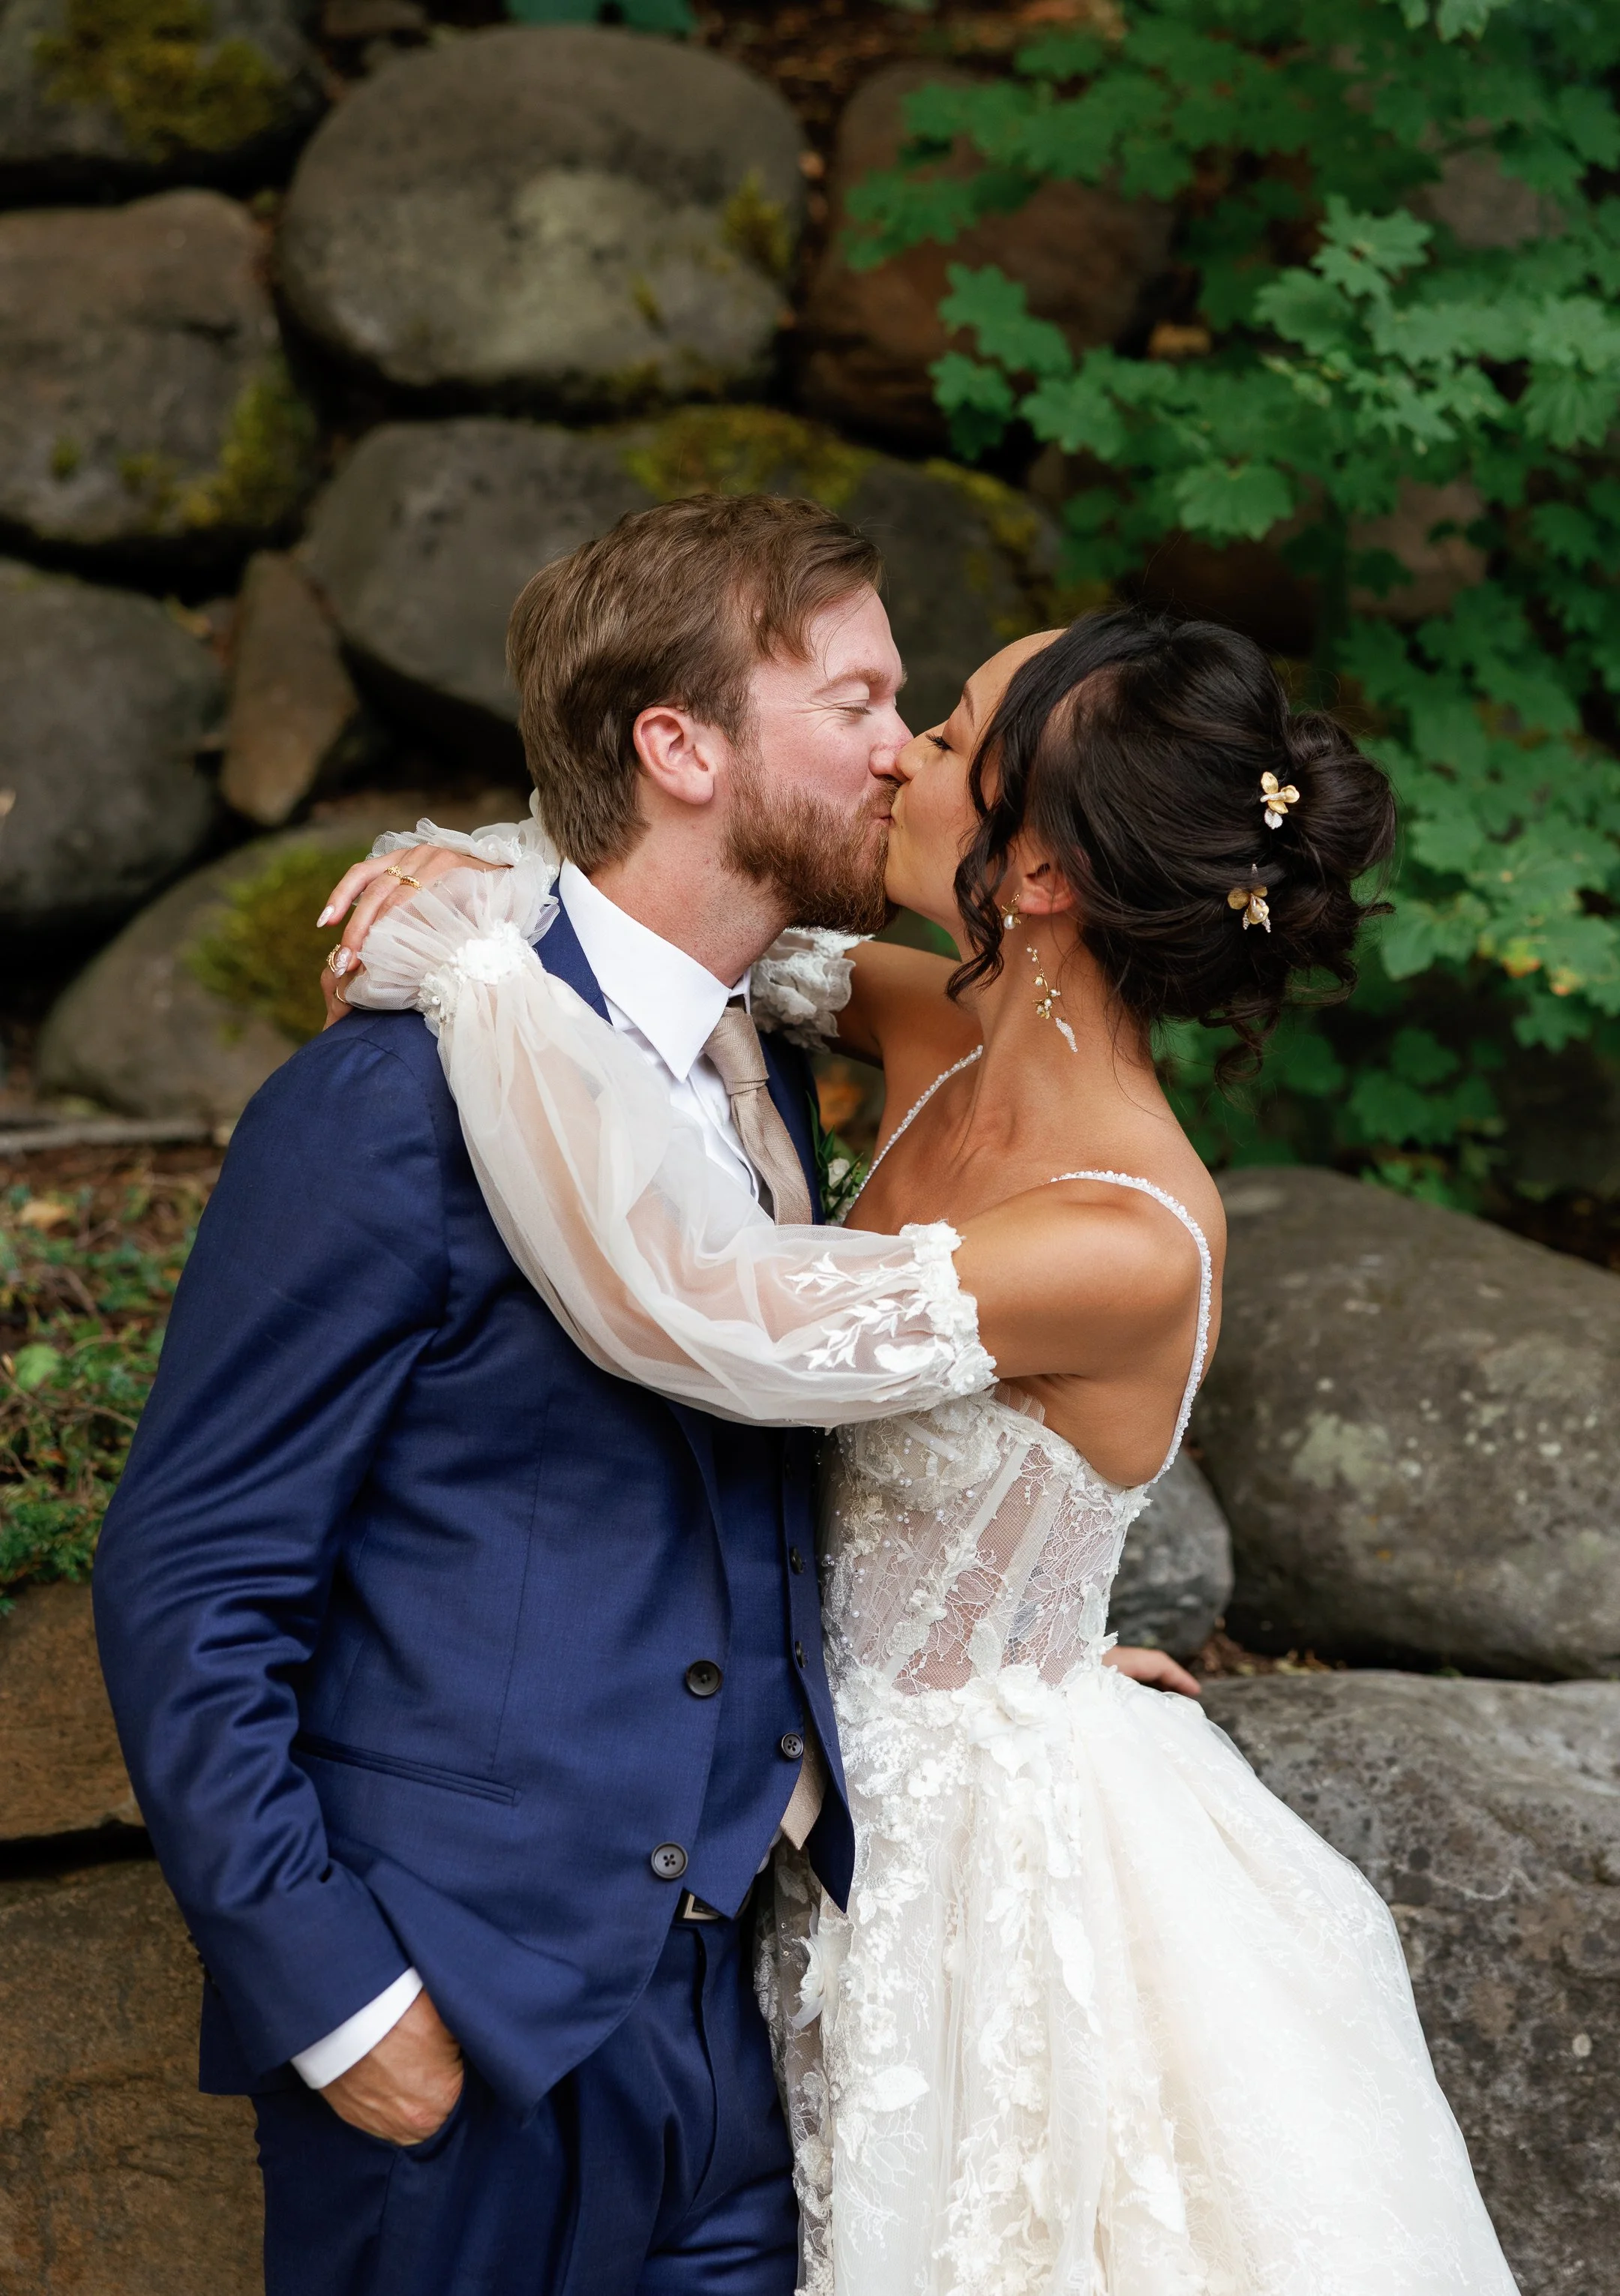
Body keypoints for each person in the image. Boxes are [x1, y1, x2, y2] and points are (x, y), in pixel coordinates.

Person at [326, 604, 1520, 2294]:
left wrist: (472, 975)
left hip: (980, 1883)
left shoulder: (1126, 1233)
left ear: (1034, 876)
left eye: (951, 740)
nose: (898, 753)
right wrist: (491, 879)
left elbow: (706, 1307)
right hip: (804, 1800)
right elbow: (678, 923)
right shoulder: (933, 1020)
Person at [94, 492, 958, 2296]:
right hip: (460, 2027)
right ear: (681, 746)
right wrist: (340, 1999)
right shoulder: (387, 1103)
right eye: (859, 700)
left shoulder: (760, 1068)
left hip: (732, 2037)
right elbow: (189, 1577)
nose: (904, 750)